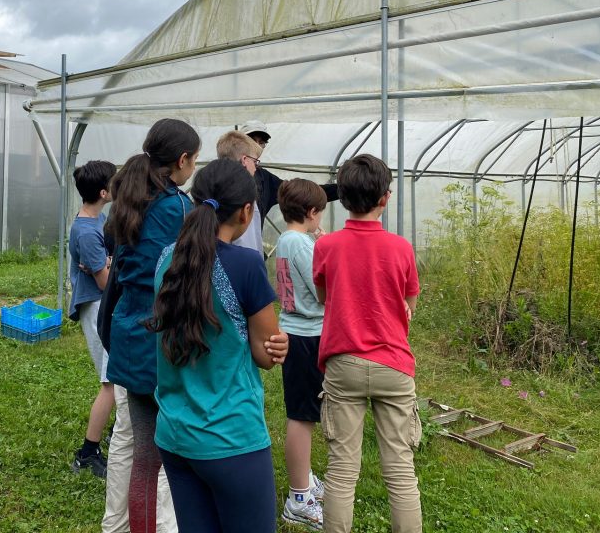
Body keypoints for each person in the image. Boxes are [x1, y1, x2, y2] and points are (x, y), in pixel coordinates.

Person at [151, 158, 289, 533]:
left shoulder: (167, 259)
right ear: (246, 212)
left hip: (175, 437)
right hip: (232, 440)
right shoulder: (245, 264)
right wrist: (279, 346)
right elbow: (265, 355)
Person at [312, 154, 422, 533]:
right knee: (401, 473)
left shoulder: (326, 247)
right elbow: (409, 304)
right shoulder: (401, 248)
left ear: (340, 198)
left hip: (344, 364)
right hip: (394, 365)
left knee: (342, 473)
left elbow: (325, 297)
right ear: (385, 199)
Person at [105, 118, 200, 533]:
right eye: (194, 160)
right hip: (162, 342)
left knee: (143, 456)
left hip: (129, 334)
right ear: (182, 160)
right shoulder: (178, 207)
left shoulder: (131, 199)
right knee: (168, 458)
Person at [275, 179, 329, 530]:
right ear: (311, 213)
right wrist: (323, 246)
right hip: (307, 334)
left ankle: (304, 481)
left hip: (294, 331)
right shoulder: (301, 243)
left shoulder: (285, 239)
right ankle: (298, 497)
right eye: (320, 213)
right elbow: (324, 290)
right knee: (302, 416)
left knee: (302, 412)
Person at [68, 159, 117, 478]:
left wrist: (109, 261)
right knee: (111, 381)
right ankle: (88, 451)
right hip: (96, 305)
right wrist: (110, 267)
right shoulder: (86, 231)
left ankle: (116, 433)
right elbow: (104, 282)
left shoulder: (96, 220)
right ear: (103, 192)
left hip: (103, 302)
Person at [101, 385, 178, 533]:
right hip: (158, 369)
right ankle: (162, 527)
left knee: (126, 432)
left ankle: (116, 526)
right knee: (163, 444)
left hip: (131, 366)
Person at [237, 121, 339, 230]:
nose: (256, 145)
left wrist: (346, 189)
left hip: (252, 246)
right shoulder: (223, 172)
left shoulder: (265, 179)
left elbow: (301, 193)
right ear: (238, 142)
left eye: (261, 142)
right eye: (251, 140)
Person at [215, 130, 263, 254]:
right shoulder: (245, 194)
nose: (256, 167)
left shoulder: (213, 186)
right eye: (255, 161)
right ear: (244, 160)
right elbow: (248, 243)